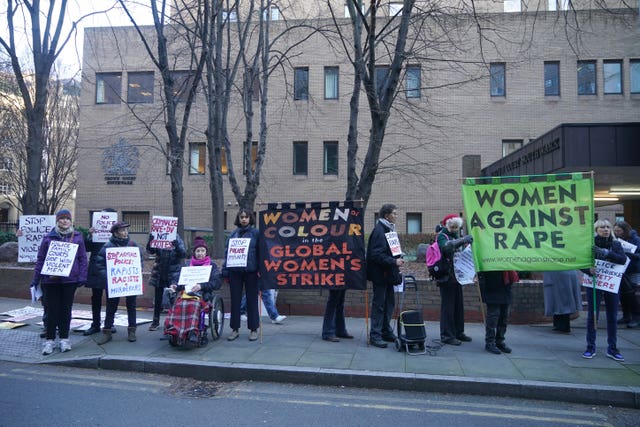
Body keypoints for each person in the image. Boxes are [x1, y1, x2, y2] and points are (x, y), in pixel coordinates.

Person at [30, 209, 88, 355]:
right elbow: (41, 259)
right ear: (57, 221)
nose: (64, 221)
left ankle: (64, 339)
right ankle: (49, 340)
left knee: (65, 310)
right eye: (61, 219)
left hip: (69, 281)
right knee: (51, 311)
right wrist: (36, 279)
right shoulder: (48, 238)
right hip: (50, 281)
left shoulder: (78, 237)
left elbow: (82, 259)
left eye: (67, 219)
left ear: (71, 221)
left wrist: (81, 277)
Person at [581, 219, 627, 361]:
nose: (606, 229)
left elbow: (623, 260)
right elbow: (580, 261)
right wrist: (588, 270)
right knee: (592, 316)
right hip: (594, 283)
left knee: (612, 316)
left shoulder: (615, 244)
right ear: (596, 230)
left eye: (608, 227)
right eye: (602, 227)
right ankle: (590, 346)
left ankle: (612, 348)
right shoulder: (590, 244)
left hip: (611, 284)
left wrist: (607, 253)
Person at [94, 222, 142, 344]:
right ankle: (107, 332)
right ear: (115, 233)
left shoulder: (132, 245)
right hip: (114, 283)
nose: (125, 232)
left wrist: (135, 274)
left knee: (131, 305)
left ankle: (132, 331)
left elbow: (139, 262)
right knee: (111, 307)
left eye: (126, 230)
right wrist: (109, 278)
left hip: (130, 282)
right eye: (122, 230)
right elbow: (99, 265)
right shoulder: (108, 246)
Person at [366, 204, 404, 348]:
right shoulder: (380, 231)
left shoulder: (388, 229)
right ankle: (375, 335)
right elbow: (376, 255)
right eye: (394, 213)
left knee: (389, 303)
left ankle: (385, 331)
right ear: (386, 215)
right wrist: (394, 261)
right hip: (380, 275)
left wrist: (398, 256)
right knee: (379, 305)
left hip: (388, 274)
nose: (396, 216)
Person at [222, 208, 260, 341]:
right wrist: (225, 271)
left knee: (252, 301)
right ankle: (234, 329)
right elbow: (227, 253)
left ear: (250, 218)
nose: (243, 219)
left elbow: (261, 252)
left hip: (251, 271)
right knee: (235, 301)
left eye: (246, 217)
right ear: (238, 219)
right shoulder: (233, 234)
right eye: (241, 217)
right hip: (235, 272)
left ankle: (254, 329)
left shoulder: (256, 233)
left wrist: (261, 270)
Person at [436, 214, 473, 345]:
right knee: (448, 307)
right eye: (452, 226)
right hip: (446, 277)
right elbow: (446, 248)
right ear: (447, 225)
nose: (455, 229)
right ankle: (447, 335)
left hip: (457, 276)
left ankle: (458, 332)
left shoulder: (455, 236)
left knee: (458, 306)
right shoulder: (442, 236)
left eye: (457, 227)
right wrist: (463, 241)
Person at [83, 208, 117, 336]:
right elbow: (87, 248)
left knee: (111, 298)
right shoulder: (95, 234)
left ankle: (109, 324)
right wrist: (89, 235)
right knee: (95, 298)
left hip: (111, 268)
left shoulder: (116, 234)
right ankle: (95, 324)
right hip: (96, 268)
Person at [146, 232, 187, 330]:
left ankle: (173, 321)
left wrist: (176, 244)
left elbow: (183, 254)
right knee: (158, 298)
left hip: (173, 273)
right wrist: (151, 240)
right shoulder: (158, 237)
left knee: (173, 298)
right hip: (160, 272)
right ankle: (155, 322)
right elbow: (150, 251)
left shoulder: (177, 237)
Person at [478, 271, 515, 354]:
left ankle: (499, 341)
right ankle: (490, 342)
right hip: (492, 285)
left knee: (504, 317)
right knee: (493, 316)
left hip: (505, 286)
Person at [613, 221, 640, 328]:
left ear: (625, 230)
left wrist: (631, 255)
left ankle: (636, 317)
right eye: (615, 231)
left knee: (631, 294)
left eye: (619, 231)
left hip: (633, 269)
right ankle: (626, 316)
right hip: (621, 270)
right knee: (623, 294)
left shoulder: (636, 239)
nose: (616, 233)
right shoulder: (615, 240)